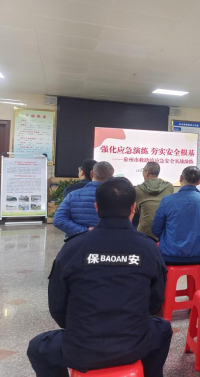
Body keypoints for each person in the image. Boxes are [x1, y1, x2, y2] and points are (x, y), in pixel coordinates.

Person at [27, 178, 172, 377]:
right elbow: (155, 301)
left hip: (82, 349)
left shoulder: (72, 248)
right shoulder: (149, 248)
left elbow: (57, 306)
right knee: (163, 329)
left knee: (38, 347)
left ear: (96, 207)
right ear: (133, 208)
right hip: (134, 345)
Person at [152, 166, 200, 289]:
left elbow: (156, 228)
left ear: (181, 178)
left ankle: (164, 297)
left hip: (170, 256)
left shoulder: (167, 200)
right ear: (199, 182)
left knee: (159, 280)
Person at [53, 161, 115, 238]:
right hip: (107, 241)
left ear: (91, 174)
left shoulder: (72, 195)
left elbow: (58, 220)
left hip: (77, 241)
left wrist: (85, 230)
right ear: (112, 178)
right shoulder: (116, 198)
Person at [135, 162, 174, 240]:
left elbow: (137, 210)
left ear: (147, 173)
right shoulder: (169, 187)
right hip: (164, 232)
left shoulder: (138, 190)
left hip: (144, 233)